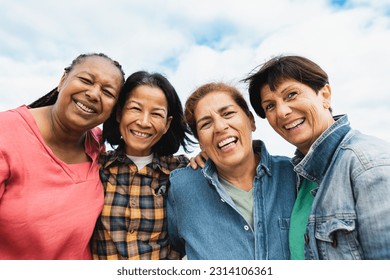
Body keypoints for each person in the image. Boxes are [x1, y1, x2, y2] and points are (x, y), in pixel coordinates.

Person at [244, 55, 390, 260]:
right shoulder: (296, 176)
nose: (282, 111)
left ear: (325, 95)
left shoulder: (368, 165)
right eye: (270, 106)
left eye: (291, 94)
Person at [0, 53, 125, 260]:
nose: (94, 94)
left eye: (108, 92)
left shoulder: (98, 146)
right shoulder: (6, 132)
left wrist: (197, 160)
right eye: (86, 80)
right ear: (62, 80)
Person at [167, 82, 296, 260]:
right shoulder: (181, 188)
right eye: (206, 124)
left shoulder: (294, 175)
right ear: (200, 142)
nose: (220, 127)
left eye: (228, 114)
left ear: (251, 120)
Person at [91, 71, 194, 260]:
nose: (144, 122)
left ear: (166, 124)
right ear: (119, 113)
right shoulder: (95, 166)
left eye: (156, 114)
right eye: (136, 109)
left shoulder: (183, 172)